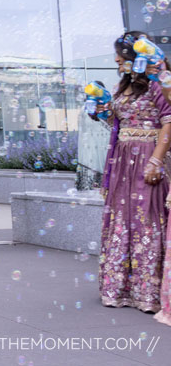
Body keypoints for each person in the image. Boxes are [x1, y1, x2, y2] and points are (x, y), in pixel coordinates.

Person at [85, 33, 171, 317]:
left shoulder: (160, 84)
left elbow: (168, 122)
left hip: (148, 155)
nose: (116, 61)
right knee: (123, 220)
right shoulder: (122, 88)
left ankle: (148, 291)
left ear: (138, 58)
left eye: (121, 57)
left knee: (147, 219)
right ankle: (121, 288)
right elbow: (118, 123)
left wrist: (157, 160)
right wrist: (102, 113)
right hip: (122, 161)